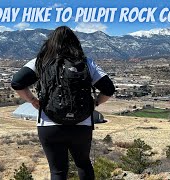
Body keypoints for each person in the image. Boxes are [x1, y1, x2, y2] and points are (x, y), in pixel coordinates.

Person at [11, 26, 115, 180]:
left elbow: (17, 82)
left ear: (51, 43)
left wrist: (33, 100)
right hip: (81, 125)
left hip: (49, 124)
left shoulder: (41, 61)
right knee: (84, 165)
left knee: (58, 171)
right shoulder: (86, 63)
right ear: (75, 43)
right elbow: (109, 89)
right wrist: (96, 103)